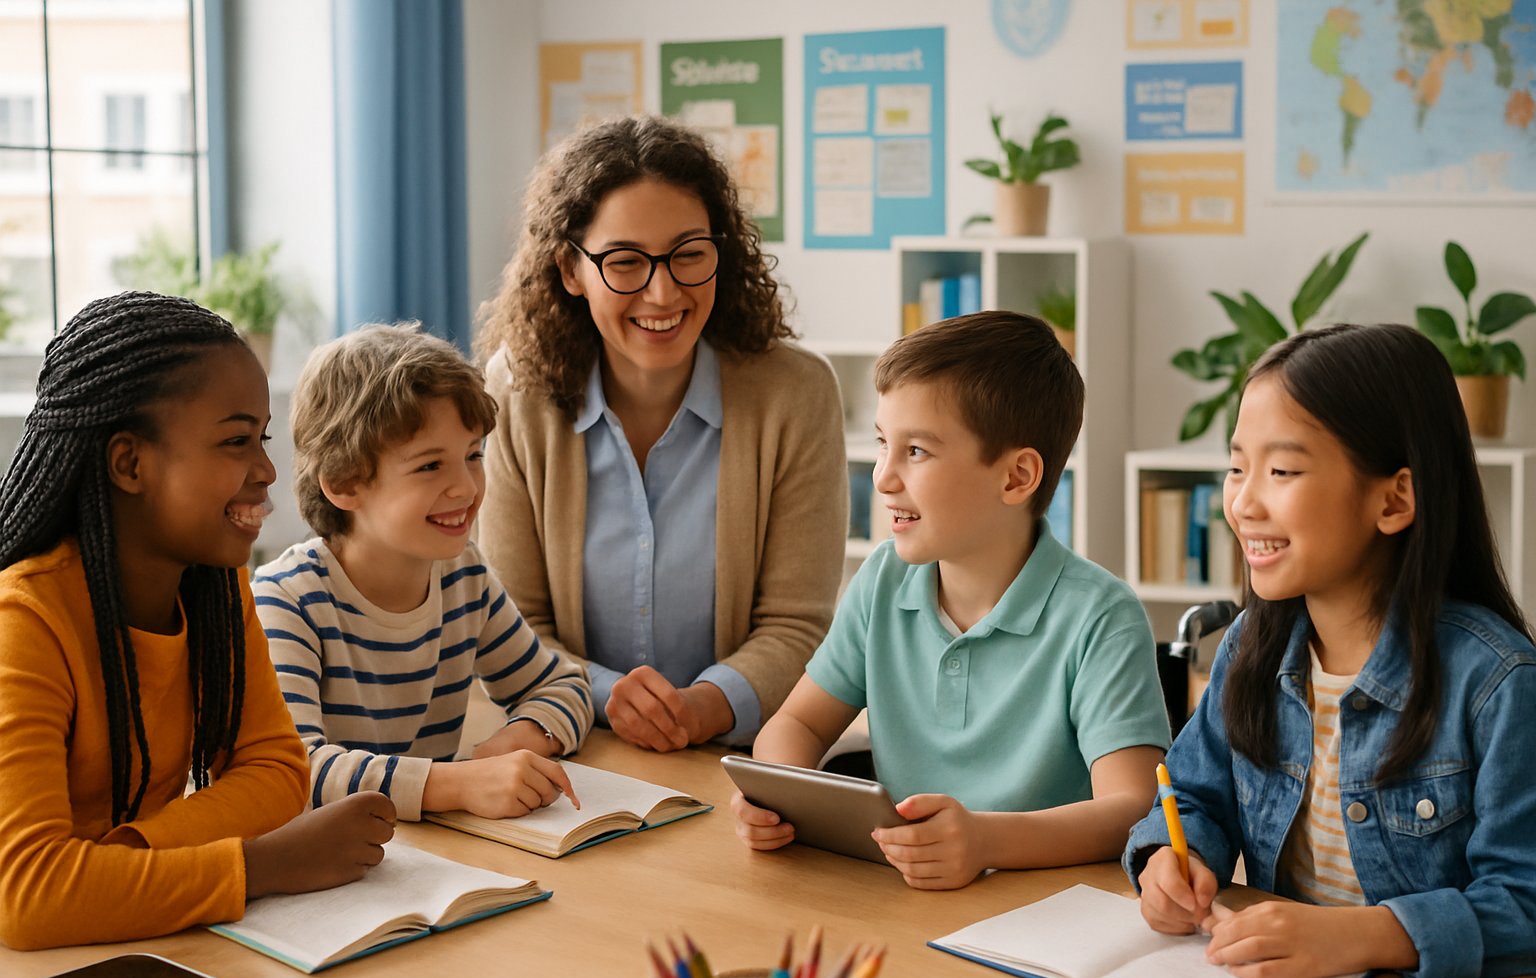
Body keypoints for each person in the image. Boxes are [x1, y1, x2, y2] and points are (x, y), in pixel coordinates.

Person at [1125, 323, 1536, 978]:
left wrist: (1366, 936)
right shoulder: (1249, 648)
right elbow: (1192, 796)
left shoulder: (1496, 683)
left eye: (1282, 471)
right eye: (1237, 467)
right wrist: (1172, 862)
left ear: (1394, 499)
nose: (1243, 503)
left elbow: (1525, 899)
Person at [0, 292, 393, 951]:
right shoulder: (24, 619)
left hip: (125, 938)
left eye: (263, 438)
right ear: (130, 464)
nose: (267, 470)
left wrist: (121, 862)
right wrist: (263, 866)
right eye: (236, 441)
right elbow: (28, 897)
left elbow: (276, 768)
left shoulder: (214, 587)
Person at [731, 311, 1171, 890]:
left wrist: (985, 840)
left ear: (1016, 478)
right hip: (905, 898)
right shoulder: (882, 580)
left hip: (1040, 911)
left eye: (916, 451)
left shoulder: (1102, 618)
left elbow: (1133, 808)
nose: (883, 477)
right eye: (884, 443)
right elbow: (798, 722)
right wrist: (777, 794)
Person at [475, 115, 847, 751]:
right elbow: (511, 626)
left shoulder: (798, 393)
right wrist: (605, 695)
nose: (663, 291)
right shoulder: (513, 394)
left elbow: (798, 626)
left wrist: (704, 707)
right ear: (570, 270)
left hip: (740, 756)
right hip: (576, 749)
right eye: (625, 261)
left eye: (689, 254)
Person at [254, 324, 593, 823]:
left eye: (473, 455)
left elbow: (563, 685)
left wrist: (518, 739)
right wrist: (457, 784)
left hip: (434, 852)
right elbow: (292, 772)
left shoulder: (463, 577)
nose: (466, 488)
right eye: (430, 466)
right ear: (345, 483)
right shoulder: (287, 603)